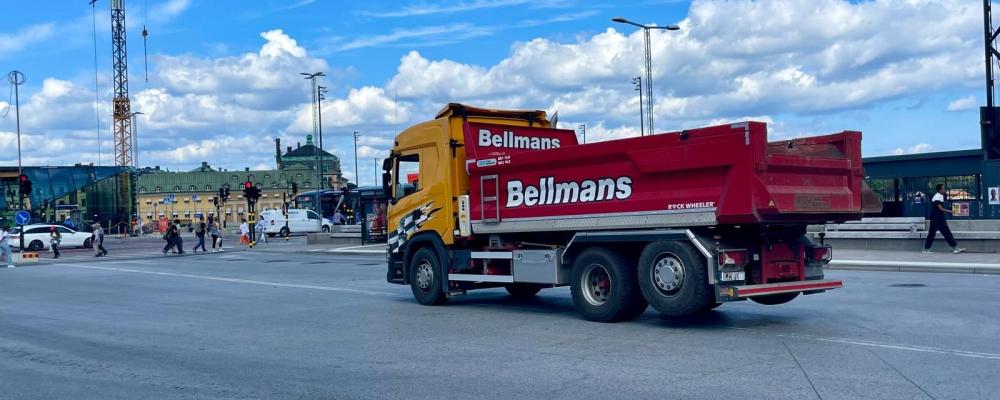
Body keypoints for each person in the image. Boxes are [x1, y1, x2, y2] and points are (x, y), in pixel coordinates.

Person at [923, 184, 965, 254]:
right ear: (939, 190)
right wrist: (952, 211)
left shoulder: (940, 196)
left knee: (933, 233)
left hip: (937, 217)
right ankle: (955, 248)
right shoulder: (937, 197)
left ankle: (926, 248)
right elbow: (940, 208)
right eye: (943, 189)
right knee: (946, 232)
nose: (944, 190)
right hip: (937, 218)